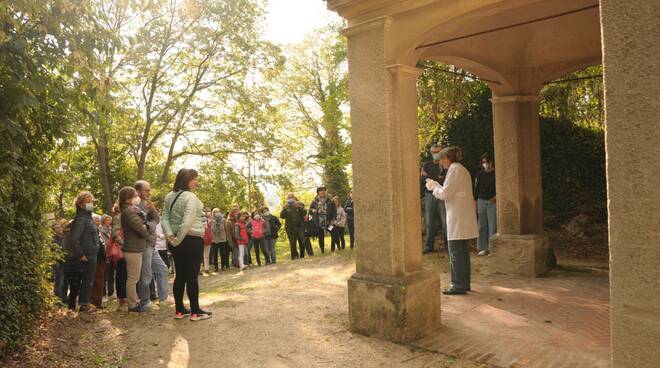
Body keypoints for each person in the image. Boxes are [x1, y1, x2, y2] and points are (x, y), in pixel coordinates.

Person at [426, 146, 478, 295]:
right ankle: (464, 283)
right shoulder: (461, 169)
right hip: (461, 216)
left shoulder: (454, 170)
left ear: (445, 158)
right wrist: (436, 185)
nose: (440, 162)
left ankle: (458, 285)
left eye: (441, 159)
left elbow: (446, 195)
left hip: (457, 217)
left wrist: (433, 188)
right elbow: (451, 191)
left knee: (455, 252)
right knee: (462, 252)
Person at [161, 168, 212, 321]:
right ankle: (196, 312)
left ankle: (179, 310)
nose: (197, 181)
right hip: (191, 239)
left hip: (176, 241)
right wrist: (178, 239)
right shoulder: (190, 197)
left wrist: (171, 236)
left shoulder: (169, 196)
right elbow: (188, 220)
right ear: (187, 180)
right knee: (191, 276)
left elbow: (164, 218)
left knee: (180, 276)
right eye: (194, 179)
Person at [134, 180, 169, 309]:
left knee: (162, 269)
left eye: (149, 190)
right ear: (138, 191)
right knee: (146, 274)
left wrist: (152, 212)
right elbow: (141, 226)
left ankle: (163, 298)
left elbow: (156, 219)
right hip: (143, 244)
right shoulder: (135, 206)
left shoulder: (148, 204)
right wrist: (150, 224)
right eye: (146, 190)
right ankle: (145, 301)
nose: (149, 192)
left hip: (151, 243)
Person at [65, 191, 100, 312]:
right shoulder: (80, 219)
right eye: (88, 202)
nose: (91, 204)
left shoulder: (88, 217)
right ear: (81, 205)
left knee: (89, 279)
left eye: (92, 201)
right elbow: (74, 239)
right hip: (86, 255)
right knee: (87, 280)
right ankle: (84, 304)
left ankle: (86, 302)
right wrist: (81, 255)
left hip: (92, 254)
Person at [118, 186, 152, 312]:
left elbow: (143, 225)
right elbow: (140, 228)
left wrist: (143, 222)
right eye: (134, 196)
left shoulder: (131, 211)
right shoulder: (128, 212)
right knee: (133, 279)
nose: (137, 198)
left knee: (134, 278)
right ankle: (132, 304)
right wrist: (148, 233)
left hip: (135, 248)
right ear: (127, 199)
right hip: (132, 249)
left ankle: (134, 301)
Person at [421, 143, 449, 254]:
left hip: (442, 196)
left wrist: (430, 179)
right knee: (429, 222)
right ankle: (429, 246)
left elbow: (444, 181)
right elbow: (423, 180)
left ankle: (448, 246)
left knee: (445, 222)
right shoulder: (427, 165)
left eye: (437, 152)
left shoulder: (445, 166)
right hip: (429, 196)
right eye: (433, 152)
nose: (435, 154)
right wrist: (435, 179)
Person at [474, 153, 497, 256]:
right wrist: (475, 201)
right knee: (481, 225)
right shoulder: (479, 174)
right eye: (483, 162)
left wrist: (496, 197)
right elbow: (476, 189)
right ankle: (482, 248)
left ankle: (492, 248)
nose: (485, 164)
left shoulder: (496, 174)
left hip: (493, 202)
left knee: (493, 225)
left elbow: (500, 187)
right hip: (481, 201)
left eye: (486, 162)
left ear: (491, 162)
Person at [110, 204, 128, 311]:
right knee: (122, 274)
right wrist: (124, 243)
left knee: (125, 274)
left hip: (125, 249)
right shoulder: (117, 218)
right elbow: (115, 233)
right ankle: (122, 300)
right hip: (121, 250)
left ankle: (125, 298)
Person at [309, 187, 336, 253]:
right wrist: (313, 210)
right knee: (321, 236)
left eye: (324, 191)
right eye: (321, 192)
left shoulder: (330, 200)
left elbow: (334, 211)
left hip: (329, 221)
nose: (323, 193)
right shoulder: (314, 201)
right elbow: (310, 210)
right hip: (319, 222)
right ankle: (322, 250)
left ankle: (332, 249)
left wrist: (333, 220)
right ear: (318, 193)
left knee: (334, 233)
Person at [280, 194, 305, 260]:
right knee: (292, 243)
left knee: (301, 242)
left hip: (299, 227)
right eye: (289, 197)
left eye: (292, 197)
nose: (290, 198)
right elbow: (282, 216)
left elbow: (304, 213)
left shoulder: (299, 204)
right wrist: (284, 209)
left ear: (294, 197)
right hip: (290, 228)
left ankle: (302, 256)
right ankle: (294, 257)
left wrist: (298, 207)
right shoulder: (286, 206)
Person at [90, 214, 108, 309]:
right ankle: (95, 302)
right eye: (95, 219)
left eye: (98, 219)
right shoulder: (91, 231)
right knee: (96, 281)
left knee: (100, 281)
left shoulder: (98, 231)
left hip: (101, 259)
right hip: (96, 259)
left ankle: (98, 302)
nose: (97, 221)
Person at [51, 222, 67, 304]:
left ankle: (64, 297)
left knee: (65, 281)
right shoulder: (53, 239)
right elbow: (57, 250)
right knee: (59, 280)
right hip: (58, 262)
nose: (60, 228)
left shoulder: (64, 237)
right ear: (54, 230)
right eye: (57, 227)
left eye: (60, 227)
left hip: (66, 261)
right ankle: (58, 299)